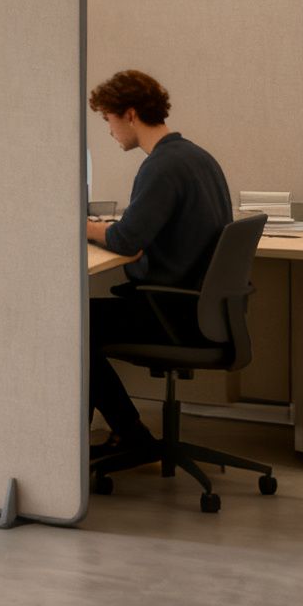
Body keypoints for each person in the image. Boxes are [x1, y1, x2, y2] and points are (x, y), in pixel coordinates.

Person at [84, 69, 233, 456]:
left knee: (72, 326)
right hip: (200, 310)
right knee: (81, 321)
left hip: (172, 313)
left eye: (108, 119)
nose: (109, 130)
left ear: (129, 114)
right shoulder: (196, 157)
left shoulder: (162, 167)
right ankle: (126, 432)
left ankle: (124, 437)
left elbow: (126, 240)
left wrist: (85, 227)